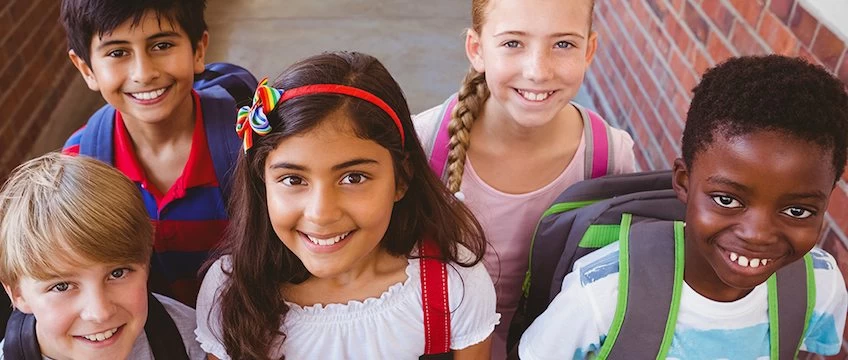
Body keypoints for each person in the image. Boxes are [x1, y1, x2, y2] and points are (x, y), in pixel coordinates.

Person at [519, 55, 848, 359]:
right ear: (683, 181)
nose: (758, 234)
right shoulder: (603, 294)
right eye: (727, 200)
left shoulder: (819, 285)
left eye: (797, 211)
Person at [195, 51, 499, 360]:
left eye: (353, 178)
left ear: (402, 178)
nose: (321, 213)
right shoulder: (231, 291)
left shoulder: (453, 285)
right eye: (292, 179)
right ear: (263, 184)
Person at [413, 0, 635, 355]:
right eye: (513, 43)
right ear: (477, 49)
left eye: (563, 44)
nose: (538, 71)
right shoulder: (422, 144)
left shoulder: (610, 155)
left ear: (589, 50)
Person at [59, 0, 253, 306]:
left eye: (162, 45)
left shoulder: (249, 141)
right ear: (87, 69)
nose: (143, 73)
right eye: (117, 52)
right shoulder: (79, 164)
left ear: (198, 50)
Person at [0, 153, 205, 359]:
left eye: (117, 273)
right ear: (18, 293)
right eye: (62, 286)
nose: (100, 313)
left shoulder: (189, 339)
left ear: (146, 263)